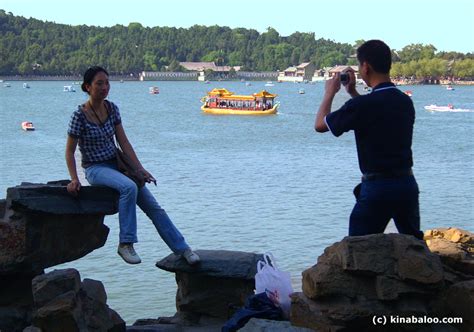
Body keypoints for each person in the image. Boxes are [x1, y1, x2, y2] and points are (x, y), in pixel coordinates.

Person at [65, 66, 201, 264]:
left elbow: (124, 142)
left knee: (154, 208)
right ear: (87, 87)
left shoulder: (112, 109)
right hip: (96, 169)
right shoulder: (79, 116)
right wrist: (74, 179)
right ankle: (126, 243)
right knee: (128, 187)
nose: (105, 87)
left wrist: (139, 169)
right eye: (99, 83)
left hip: (118, 166)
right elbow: (69, 151)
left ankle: (183, 249)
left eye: (107, 83)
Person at [314, 40, 423, 240]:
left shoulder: (363, 106)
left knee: (357, 249)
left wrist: (330, 92)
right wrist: (353, 93)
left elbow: (320, 125)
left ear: (365, 67)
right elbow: (376, 112)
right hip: (406, 184)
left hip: (377, 188)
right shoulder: (404, 101)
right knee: (414, 244)